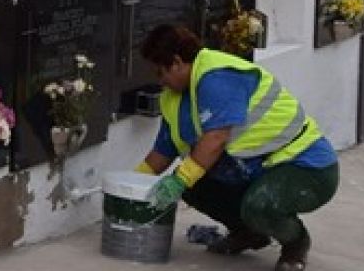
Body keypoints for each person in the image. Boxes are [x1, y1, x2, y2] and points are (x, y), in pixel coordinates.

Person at [136, 24, 339, 271]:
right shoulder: (174, 98)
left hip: (305, 166)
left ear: (177, 62)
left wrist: (179, 180)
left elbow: (216, 138)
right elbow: (163, 152)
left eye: (161, 73)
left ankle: (296, 244)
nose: (161, 82)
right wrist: (130, 186)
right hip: (255, 169)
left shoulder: (217, 76)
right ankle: (250, 233)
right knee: (193, 186)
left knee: (260, 204)